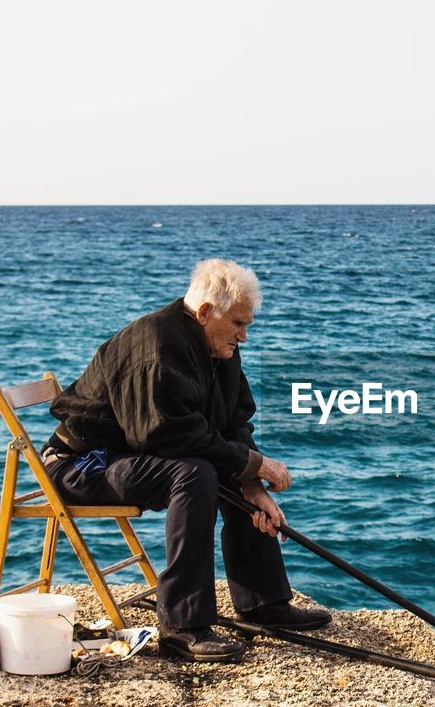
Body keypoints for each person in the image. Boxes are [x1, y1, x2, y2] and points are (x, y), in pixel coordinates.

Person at [43, 258, 330, 662]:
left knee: (221, 465)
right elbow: (163, 434)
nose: (244, 336)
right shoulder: (156, 344)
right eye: (238, 324)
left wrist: (253, 485)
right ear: (206, 312)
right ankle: (182, 627)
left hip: (133, 453)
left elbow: (233, 424)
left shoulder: (220, 350)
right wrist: (252, 465)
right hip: (82, 463)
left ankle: (263, 603)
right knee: (195, 473)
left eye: (247, 325)